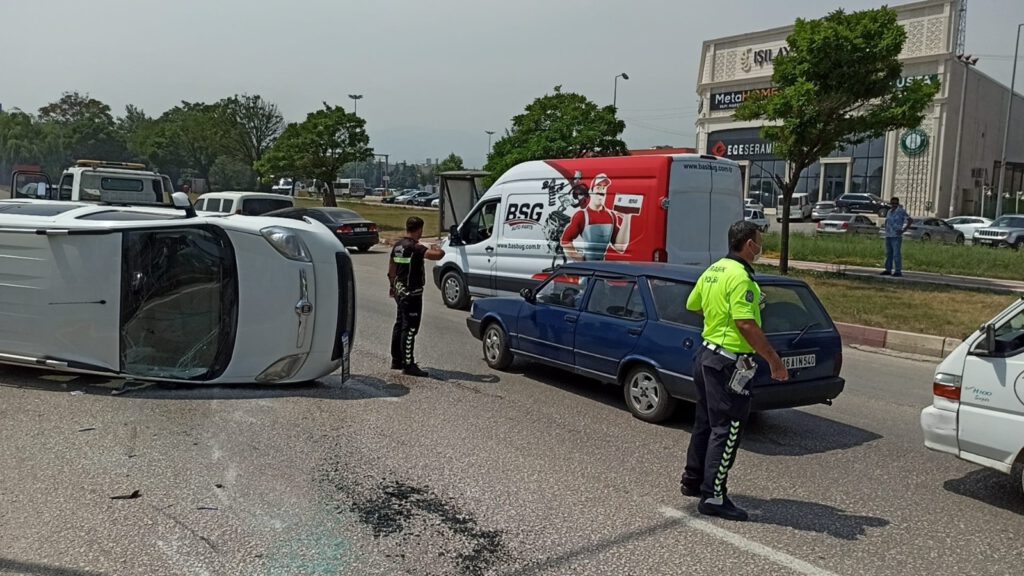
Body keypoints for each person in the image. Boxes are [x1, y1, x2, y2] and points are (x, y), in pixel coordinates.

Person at [680, 220, 789, 522]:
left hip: (706, 355)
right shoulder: (741, 278)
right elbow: (745, 324)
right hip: (728, 362)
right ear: (749, 245)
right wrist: (774, 361)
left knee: (705, 422)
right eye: (759, 240)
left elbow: (694, 304)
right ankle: (713, 495)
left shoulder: (714, 270)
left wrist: (718, 317)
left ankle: (693, 480)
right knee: (727, 429)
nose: (761, 245)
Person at [388, 217, 445, 377]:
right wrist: (437, 247)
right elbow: (437, 255)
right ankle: (408, 364)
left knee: (400, 324)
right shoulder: (415, 247)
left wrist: (392, 285)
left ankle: (396, 360)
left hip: (400, 290)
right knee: (410, 328)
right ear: (419, 229)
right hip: (412, 293)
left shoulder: (398, 245)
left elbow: (392, 266)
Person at [559, 174, 633, 261]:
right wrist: (580, 259)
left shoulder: (611, 216)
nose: (601, 190)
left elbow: (620, 248)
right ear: (591, 191)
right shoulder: (582, 215)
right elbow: (565, 241)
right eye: (598, 187)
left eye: (604, 187)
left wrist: (627, 218)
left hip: (601, 268)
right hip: (588, 270)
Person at [881, 197, 913, 277]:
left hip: (896, 236)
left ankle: (898, 271)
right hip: (888, 235)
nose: (894, 205)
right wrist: (886, 228)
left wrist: (903, 230)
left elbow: (910, 220)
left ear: (898, 203)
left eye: (896, 203)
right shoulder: (889, 211)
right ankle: (888, 269)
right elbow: (887, 221)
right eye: (893, 203)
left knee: (896, 254)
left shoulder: (901, 211)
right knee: (889, 253)